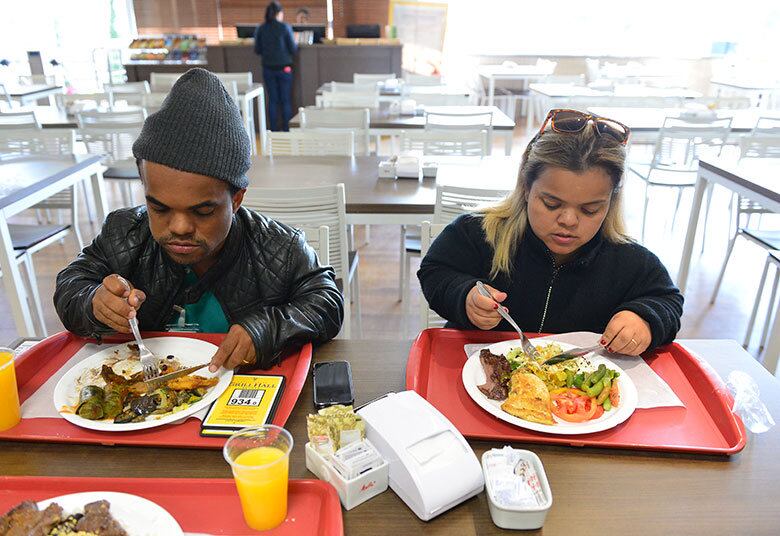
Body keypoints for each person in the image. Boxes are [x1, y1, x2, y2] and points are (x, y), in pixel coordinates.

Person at [54, 68, 343, 371]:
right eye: (160, 208)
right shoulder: (124, 234)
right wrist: (93, 302)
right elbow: (71, 285)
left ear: (236, 199)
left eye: (203, 211)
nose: (179, 227)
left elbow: (327, 302)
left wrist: (266, 329)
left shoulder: (279, 248)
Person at [418, 109, 683, 356]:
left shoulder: (629, 261)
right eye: (551, 204)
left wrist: (644, 318)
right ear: (525, 187)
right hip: (473, 374)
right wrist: (464, 296)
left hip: (572, 396)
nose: (568, 221)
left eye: (590, 210)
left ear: (610, 203)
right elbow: (435, 271)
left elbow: (667, 301)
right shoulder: (477, 233)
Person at [254, 1, 297, 131]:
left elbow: (257, 50)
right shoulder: (285, 28)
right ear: (279, 13)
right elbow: (293, 49)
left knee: (272, 100)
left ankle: (273, 130)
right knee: (285, 100)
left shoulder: (261, 29)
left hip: (268, 69)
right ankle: (286, 130)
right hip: (285, 69)